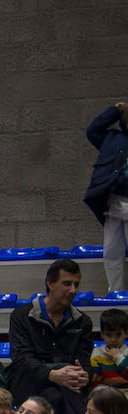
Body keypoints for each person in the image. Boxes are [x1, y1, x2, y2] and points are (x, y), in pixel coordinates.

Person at [6, 259, 94, 414]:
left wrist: (84, 377)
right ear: (50, 283)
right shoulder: (22, 315)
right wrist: (52, 374)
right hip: (28, 383)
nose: (73, 290)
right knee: (60, 386)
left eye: (76, 285)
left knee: (57, 394)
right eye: (67, 284)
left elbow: (84, 362)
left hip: (66, 386)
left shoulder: (83, 322)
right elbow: (21, 359)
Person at [85, 102, 128, 293]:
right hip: (113, 203)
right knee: (111, 250)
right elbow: (92, 130)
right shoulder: (112, 138)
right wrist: (115, 110)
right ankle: (116, 291)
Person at [90, 308, 128, 389]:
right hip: (105, 393)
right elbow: (93, 380)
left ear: (126, 334)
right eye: (108, 335)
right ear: (102, 334)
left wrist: (117, 357)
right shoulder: (97, 353)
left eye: (118, 335)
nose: (113, 340)